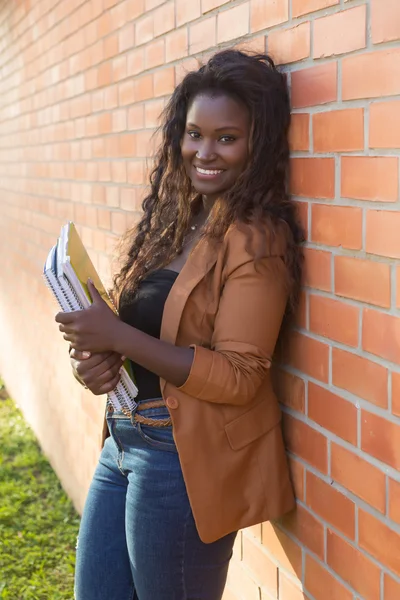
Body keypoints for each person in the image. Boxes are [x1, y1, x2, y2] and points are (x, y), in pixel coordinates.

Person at [56, 49, 304, 600]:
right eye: (194, 134)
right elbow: (147, 337)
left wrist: (120, 337)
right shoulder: (178, 220)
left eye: (226, 138)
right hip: (121, 439)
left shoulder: (257, 240)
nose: (204, 152)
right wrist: (100, 360)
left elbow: (242, 375)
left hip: (181, 461)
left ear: (256, 145)